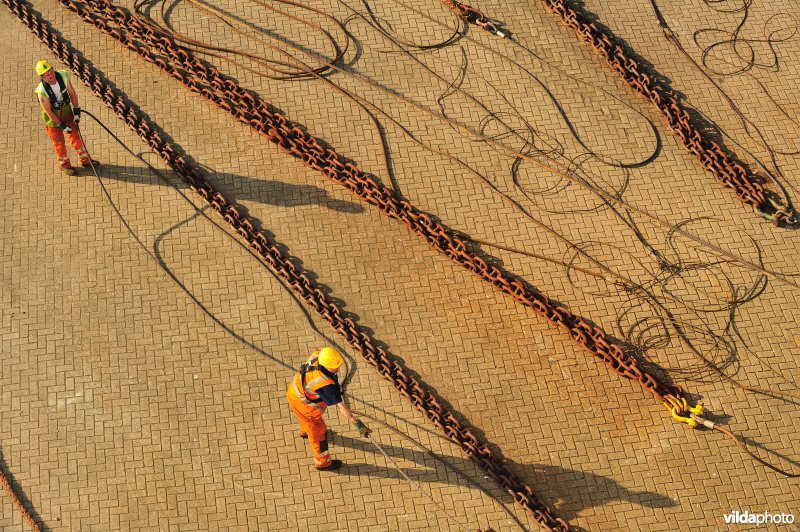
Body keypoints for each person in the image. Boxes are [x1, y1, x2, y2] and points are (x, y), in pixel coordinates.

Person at [287, 347, 371, 471]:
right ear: (326, 365)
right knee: (319, 435)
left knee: (306, 422)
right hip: (306, 408)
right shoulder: (324, 385)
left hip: (295, 394)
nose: (337, 369)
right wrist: (357, 424)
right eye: (334, 367)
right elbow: (341, 406)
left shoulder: (318, 355)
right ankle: (323, 463)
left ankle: (305, 431)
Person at [34, 60, 98, 175]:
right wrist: (61, 125)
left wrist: (77, 110)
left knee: (76, 137)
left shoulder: (63, 75)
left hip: (67, 112)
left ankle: (86, 160)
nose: (50, 75)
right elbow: (49, 112)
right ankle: (65, 165)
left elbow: (72, 93)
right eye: (47, 74)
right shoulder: (41, 92)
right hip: (53, 121)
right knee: (59, 143)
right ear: (42, 77)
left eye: (50, 71)